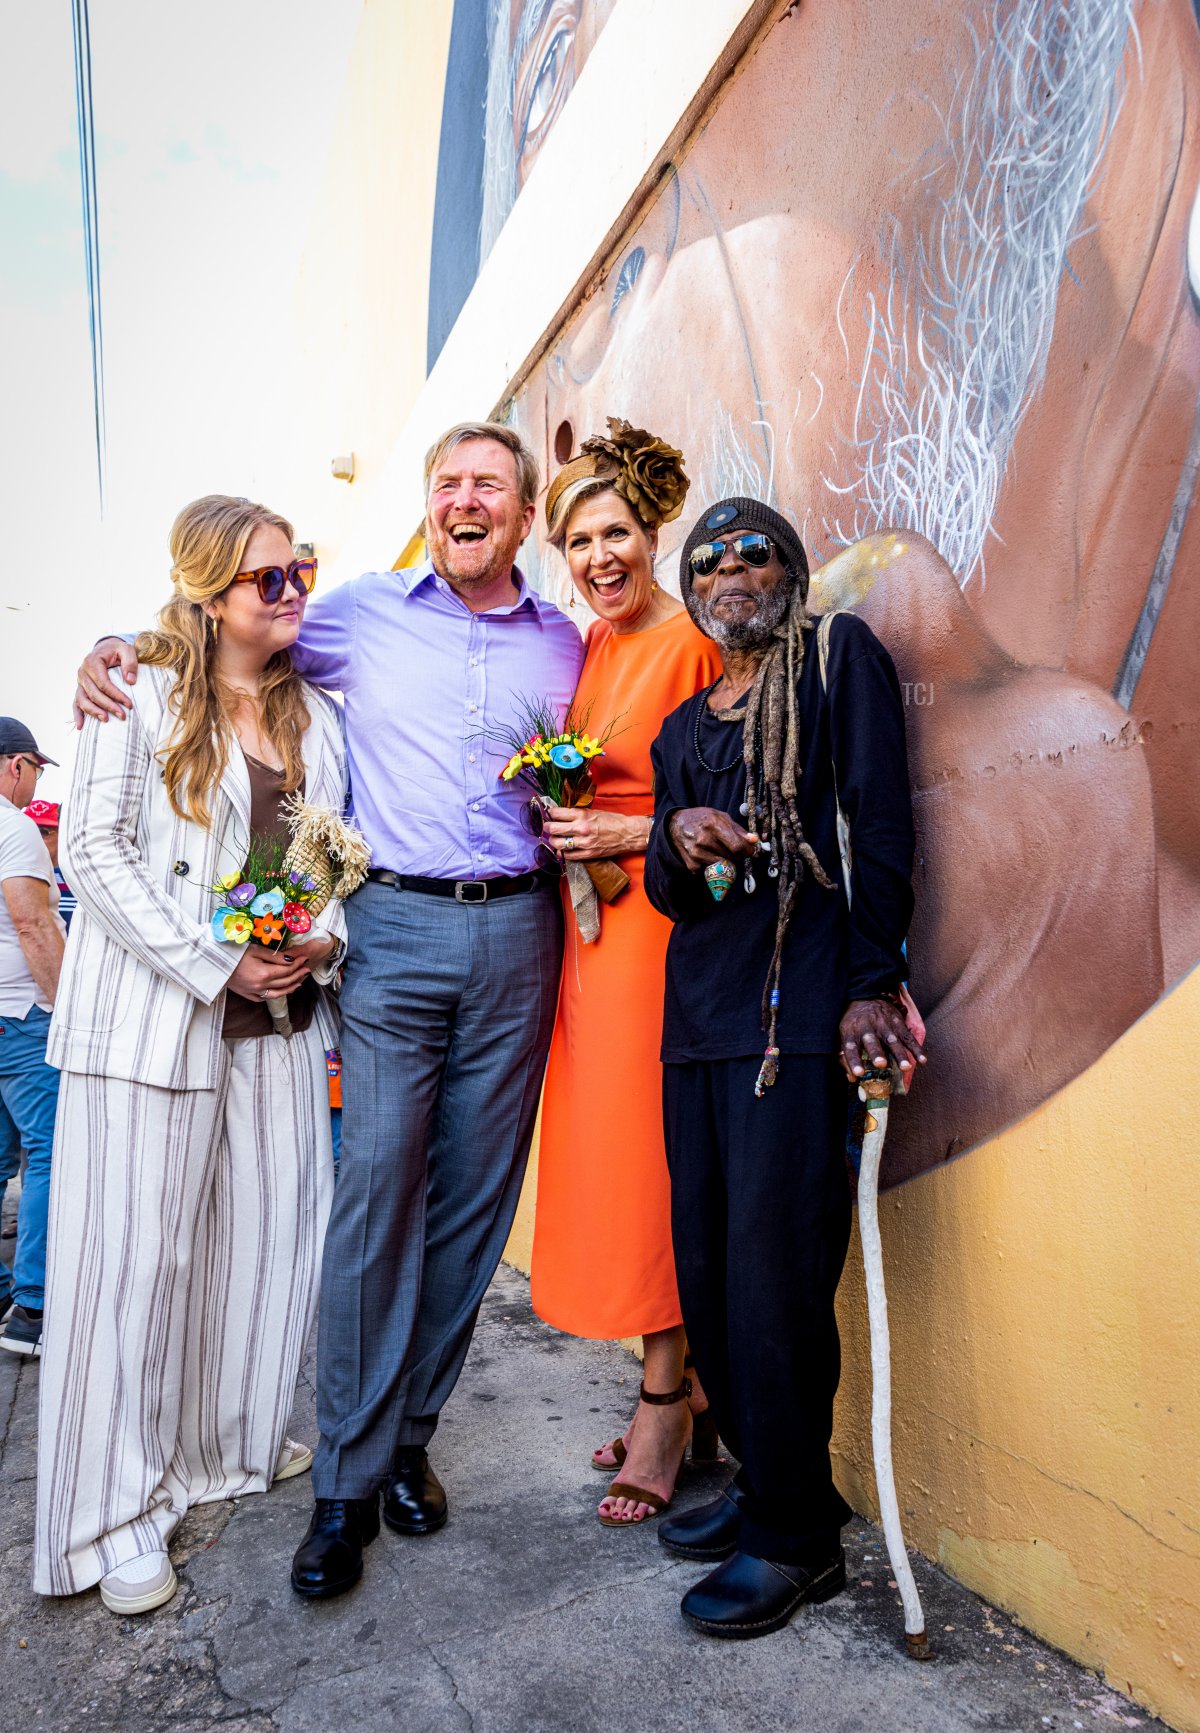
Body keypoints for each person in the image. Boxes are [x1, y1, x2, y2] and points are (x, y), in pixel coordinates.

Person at [74, 423, 585, 1601]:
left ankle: (410, 1436)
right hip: (394, 931)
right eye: (449, 482)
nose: (467, 500)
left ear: (521, 512)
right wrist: (113, 646)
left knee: (473, 1198)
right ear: (431, 501)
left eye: (490, 486)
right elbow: (216, 628)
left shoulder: (564, 641)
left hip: (519, 930)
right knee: (375, 1194)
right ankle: (345, 1483)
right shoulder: (350, 610)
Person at [37, 495, 347, 1617]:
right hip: (150, 1028)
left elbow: (333, 860)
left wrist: (321, 939)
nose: (295, 591)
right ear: (212, 590)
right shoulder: (139, 689)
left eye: (302, 569)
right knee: (136, 1275)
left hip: (276, 1029)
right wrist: (216, 963)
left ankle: (223, 1449)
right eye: (270, 577)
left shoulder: (319, 710)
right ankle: (112, 1517)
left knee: (264, 1249)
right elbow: (93, 849)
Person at [643, 497, 924, 1639]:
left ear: (792, 568)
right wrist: (676, 836)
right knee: (709, 1278)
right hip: (699, 1026)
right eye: (706, 559)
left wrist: (869, 979)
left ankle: (797, 1542)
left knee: (776, 1280)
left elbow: (884, 824)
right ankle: (775, 1481)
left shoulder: (834, 657)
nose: (728, 568)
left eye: (753, 549)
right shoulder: (678, 728)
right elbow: (668, 894)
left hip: (799, 1019)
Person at [530, 420, 723, 1525]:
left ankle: (665, 1400)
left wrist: (616, 834)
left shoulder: (691, 645)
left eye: (616, 532)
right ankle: (682, 1381)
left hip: (662, 938)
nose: (599, 556)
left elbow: (725, 805)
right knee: (614, 1160)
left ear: (652, 534)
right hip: (594, 954)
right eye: (579, 539)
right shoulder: (594, 650)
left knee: (654, 1165)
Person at [0, 720, 66, 1358]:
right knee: (50, 1155)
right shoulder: (13, 827)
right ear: (15, 765)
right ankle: (34, 1307)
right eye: (36, 770)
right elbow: (32, 921)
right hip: (20, 1015)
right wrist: (67, 1006)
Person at [24, 801, 77, 930]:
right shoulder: (13, 880)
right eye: (29, 831)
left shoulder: (77, 880)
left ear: (62, 835)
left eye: (43, 832)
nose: (35, 838)